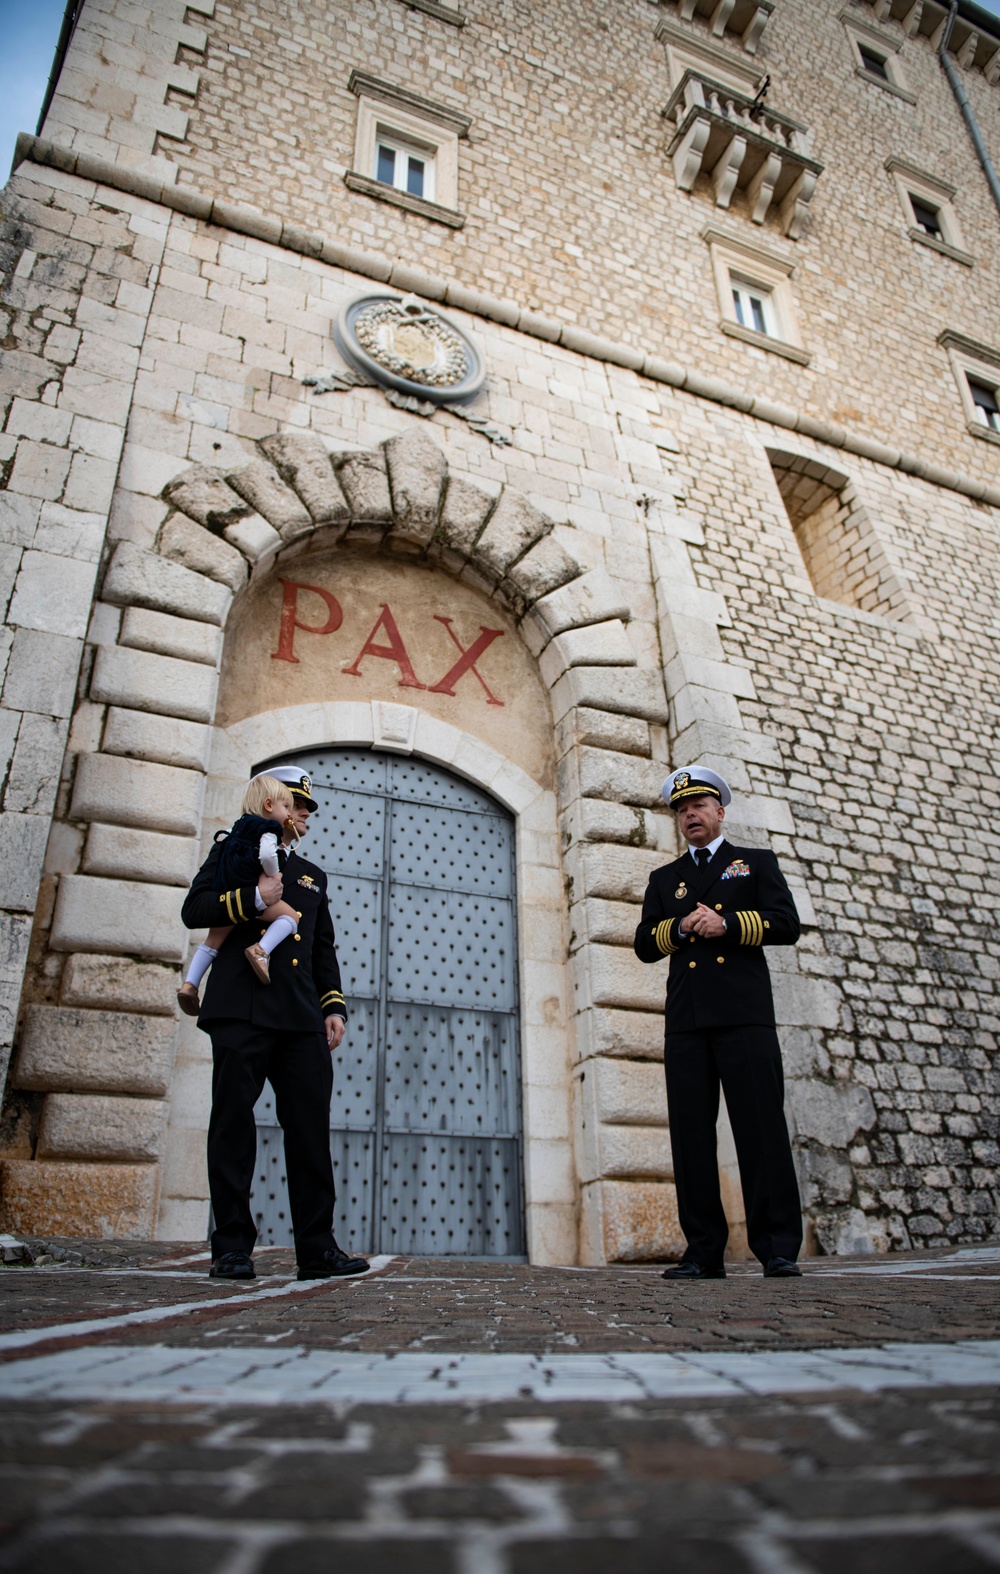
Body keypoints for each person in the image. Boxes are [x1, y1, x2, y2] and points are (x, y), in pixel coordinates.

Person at [181, 763, 369, 1283]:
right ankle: (233, 1248)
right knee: (233, 1127)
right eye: (298, 805)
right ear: (273, 806)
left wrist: (333, 1006)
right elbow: (195, 909)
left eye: (306, 808)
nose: (305, 815)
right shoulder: (231, 852)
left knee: (310, 1132)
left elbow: (322, 947)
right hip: (241, 1010)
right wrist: (254, 900)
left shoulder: (312, 875)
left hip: (300, 1017)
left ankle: (317, 1248)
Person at [634, 767, 803, 1280]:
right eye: (682, 810)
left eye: (699, 805)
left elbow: (786, 924)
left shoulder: (753, 864)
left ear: (719, 812)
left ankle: (776, 1247)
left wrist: (728, 924)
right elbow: (644, 944)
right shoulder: (665, 880)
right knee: (690, 1137)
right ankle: (703, 1250)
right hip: (686, 1020)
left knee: (760, 1129)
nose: (690, 815)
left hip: (744, 1015)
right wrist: (682, 927)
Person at [176, 774, 304, 1017]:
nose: (292, 813)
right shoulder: (269, 830)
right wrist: (266, 885)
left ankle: (189, 985)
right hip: (232, 1002)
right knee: (289, 918)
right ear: (268, 805)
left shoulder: (234, 832)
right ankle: (260, 951)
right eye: (288, 806)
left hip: (228, 894)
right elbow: (193, 909)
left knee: (211, 944)